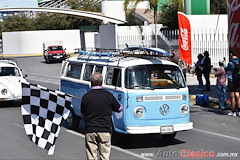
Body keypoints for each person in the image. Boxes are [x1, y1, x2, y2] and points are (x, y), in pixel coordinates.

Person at [81, 72, 122, 160]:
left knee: (91, 156)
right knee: (104, 156)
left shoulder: (86, 97)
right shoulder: (108, 96)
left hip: (90, 129)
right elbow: (118, 108)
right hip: (104, 129)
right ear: (102, 82)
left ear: (90, 83)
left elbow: (82, 113)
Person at [225, 51, 240, 116]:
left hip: (232, 80)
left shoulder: (230, 63)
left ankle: (233, 111)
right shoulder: (239, 61)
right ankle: (239, 111)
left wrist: (224, 64)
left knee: (232, 96)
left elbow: (226, 69)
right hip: (238, 79)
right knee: (238, 95)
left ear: (231, 54)